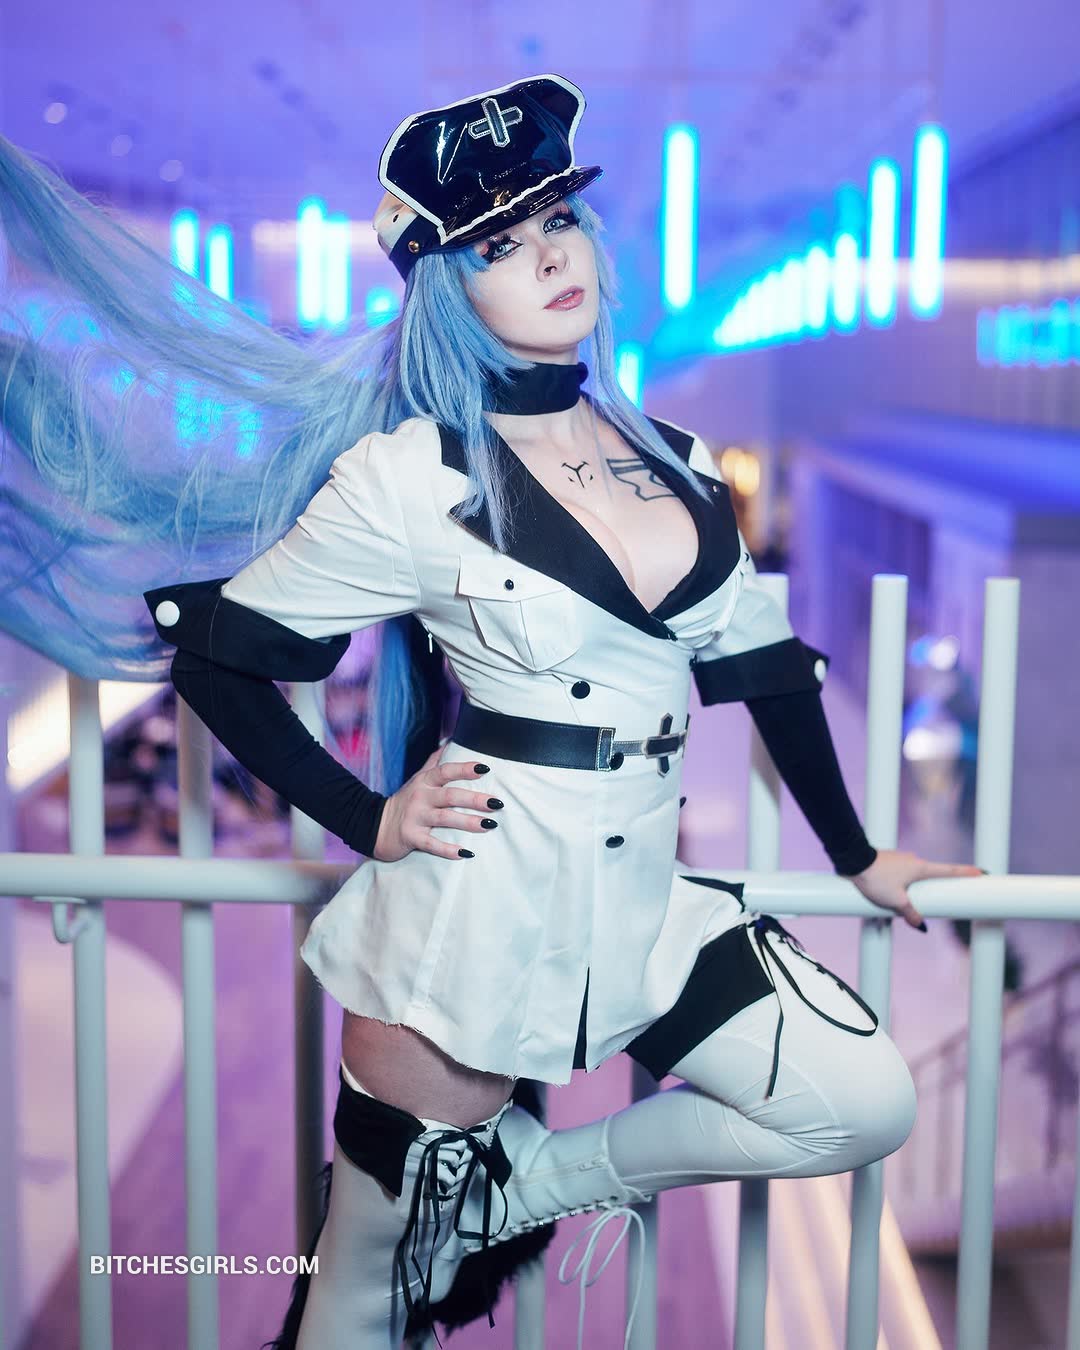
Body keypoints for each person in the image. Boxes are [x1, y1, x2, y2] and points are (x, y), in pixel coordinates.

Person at [0, 74, 980, 1350]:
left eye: (559, 220)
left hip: (645, 907)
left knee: (863, 1099)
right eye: (498, 246)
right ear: (448, 291)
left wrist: (859, 855)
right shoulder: (411, 477)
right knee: (360, 1298)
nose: (550, 255)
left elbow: (769, 672)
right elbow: (223, 663)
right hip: (475, 913)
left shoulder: (680, 460)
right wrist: (368, 816)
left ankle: (523, 1188)